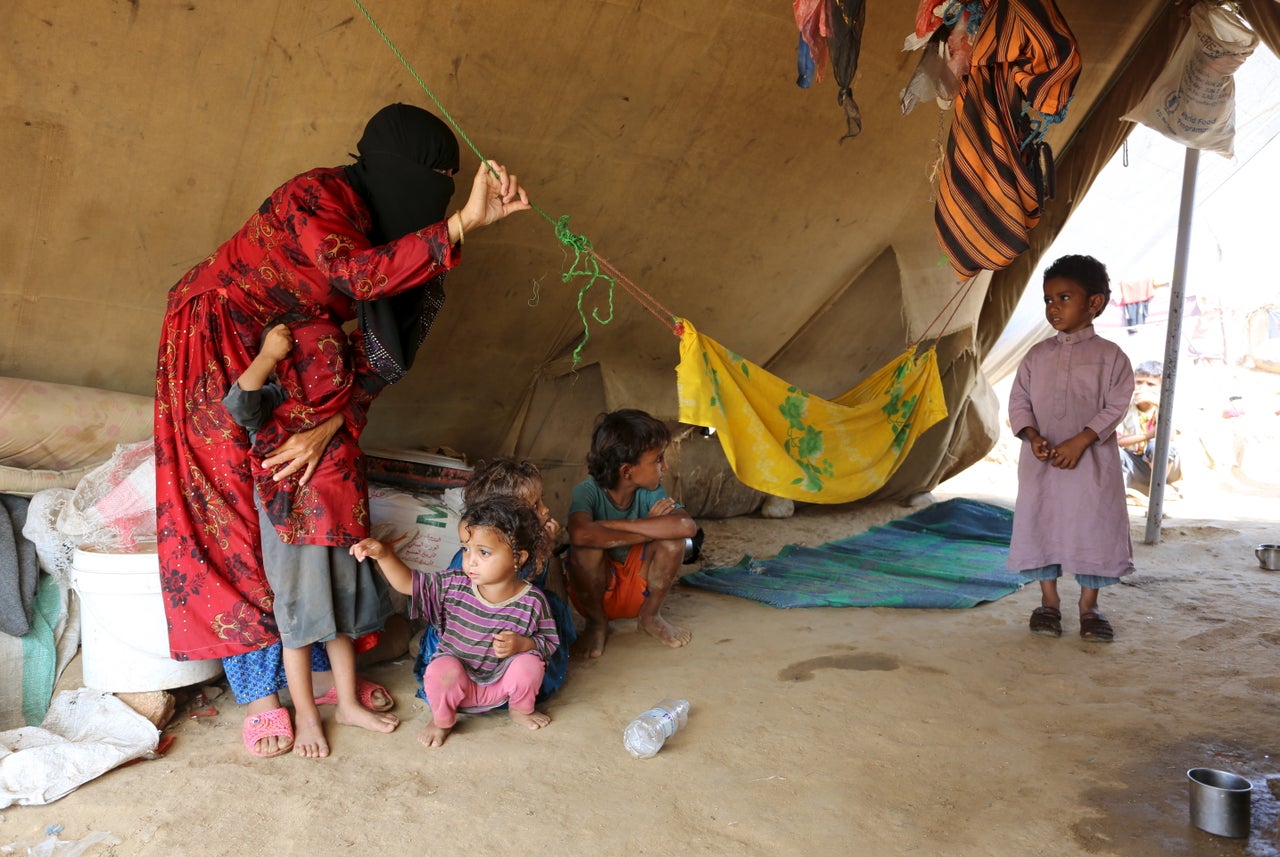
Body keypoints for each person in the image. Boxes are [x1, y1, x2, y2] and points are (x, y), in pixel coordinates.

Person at [153, 102, 530, 757]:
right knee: (229, 518)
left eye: (450, 181)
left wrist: (328, 427)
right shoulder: (316, 199)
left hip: (296, 367)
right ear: (389, 168)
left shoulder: (377, 235)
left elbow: (373, 363)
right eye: (433, 177)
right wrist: (462, 222)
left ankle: (331, 680)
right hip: (219, 341)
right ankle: (264, 693)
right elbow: (358, 275)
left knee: (315, 545)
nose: (437, 194)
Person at [223, 316, 398, 757]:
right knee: (298, 624)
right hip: (293, 531)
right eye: (313, 358)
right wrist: (267, 356)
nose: (327, 367)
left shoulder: (342, 404)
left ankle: (348, 705)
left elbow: (376, 375)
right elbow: (238, 403)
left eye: (334, 358)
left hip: (342, 525)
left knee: (340, 615)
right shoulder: (274, 398)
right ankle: (305, 715)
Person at [352, 496, 559, 748]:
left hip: (500, 686)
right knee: (440, 669)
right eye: (465, 548)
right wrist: (384, 555)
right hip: (457, 684)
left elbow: (548, 642)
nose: (470, 560)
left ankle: (520, 709)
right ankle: (442, 720)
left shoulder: (532, 601)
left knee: (530, 663)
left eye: (483, 552)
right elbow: (408, 583)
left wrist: (524, 644)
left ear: (519, 557)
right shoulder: (454, 584)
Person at [1007, 255, 1135, 643]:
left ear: (1093, 303)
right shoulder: (1035, 356)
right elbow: (1018, 401)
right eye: (1048, 299)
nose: (1053, 307)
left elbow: (1117, 405)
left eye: (1064, 297)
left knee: (1091, 526)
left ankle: (1089, 608)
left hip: (1092, 466)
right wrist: (1032, 435)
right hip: (1041, 464)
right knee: (1041, 521)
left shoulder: (1112, 358)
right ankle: (1048, 603)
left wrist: (1082, 440)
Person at [412, 458, 577, 703]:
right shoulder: (470, 565)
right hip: (469, 642)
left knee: (551, 605)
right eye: (534, 505)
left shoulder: (527, 551)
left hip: (509, 633)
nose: (545, 510)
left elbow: (535, 602)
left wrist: (547, 550)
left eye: (542, 500)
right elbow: (457, 620)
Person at [565, 409, 697, 658]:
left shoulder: (650, 490)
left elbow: (686, 527)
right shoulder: (587, 491)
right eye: (658, 459)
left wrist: (610, 526)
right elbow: (580, 534)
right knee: (586, 548)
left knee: (674, 541)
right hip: (598, 591)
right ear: (627, 472)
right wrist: (649, 527)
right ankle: (596, 623)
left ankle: (650, 616)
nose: (665, 466)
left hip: (640, 586)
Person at [1116, 359, 1182, 498]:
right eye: (1139, 382)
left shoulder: (1169, 404)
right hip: (1137, 465)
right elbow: (1117, 441)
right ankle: (1119, 492)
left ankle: (1159, 489)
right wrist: (1148, 435)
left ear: (1162, 387)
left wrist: (1158, 404)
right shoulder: (1124, 405)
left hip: (1168, 468)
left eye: (1150, 384)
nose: (1143, 388)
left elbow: (1170, 438)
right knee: (1114, 452)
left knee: (1158, 445)